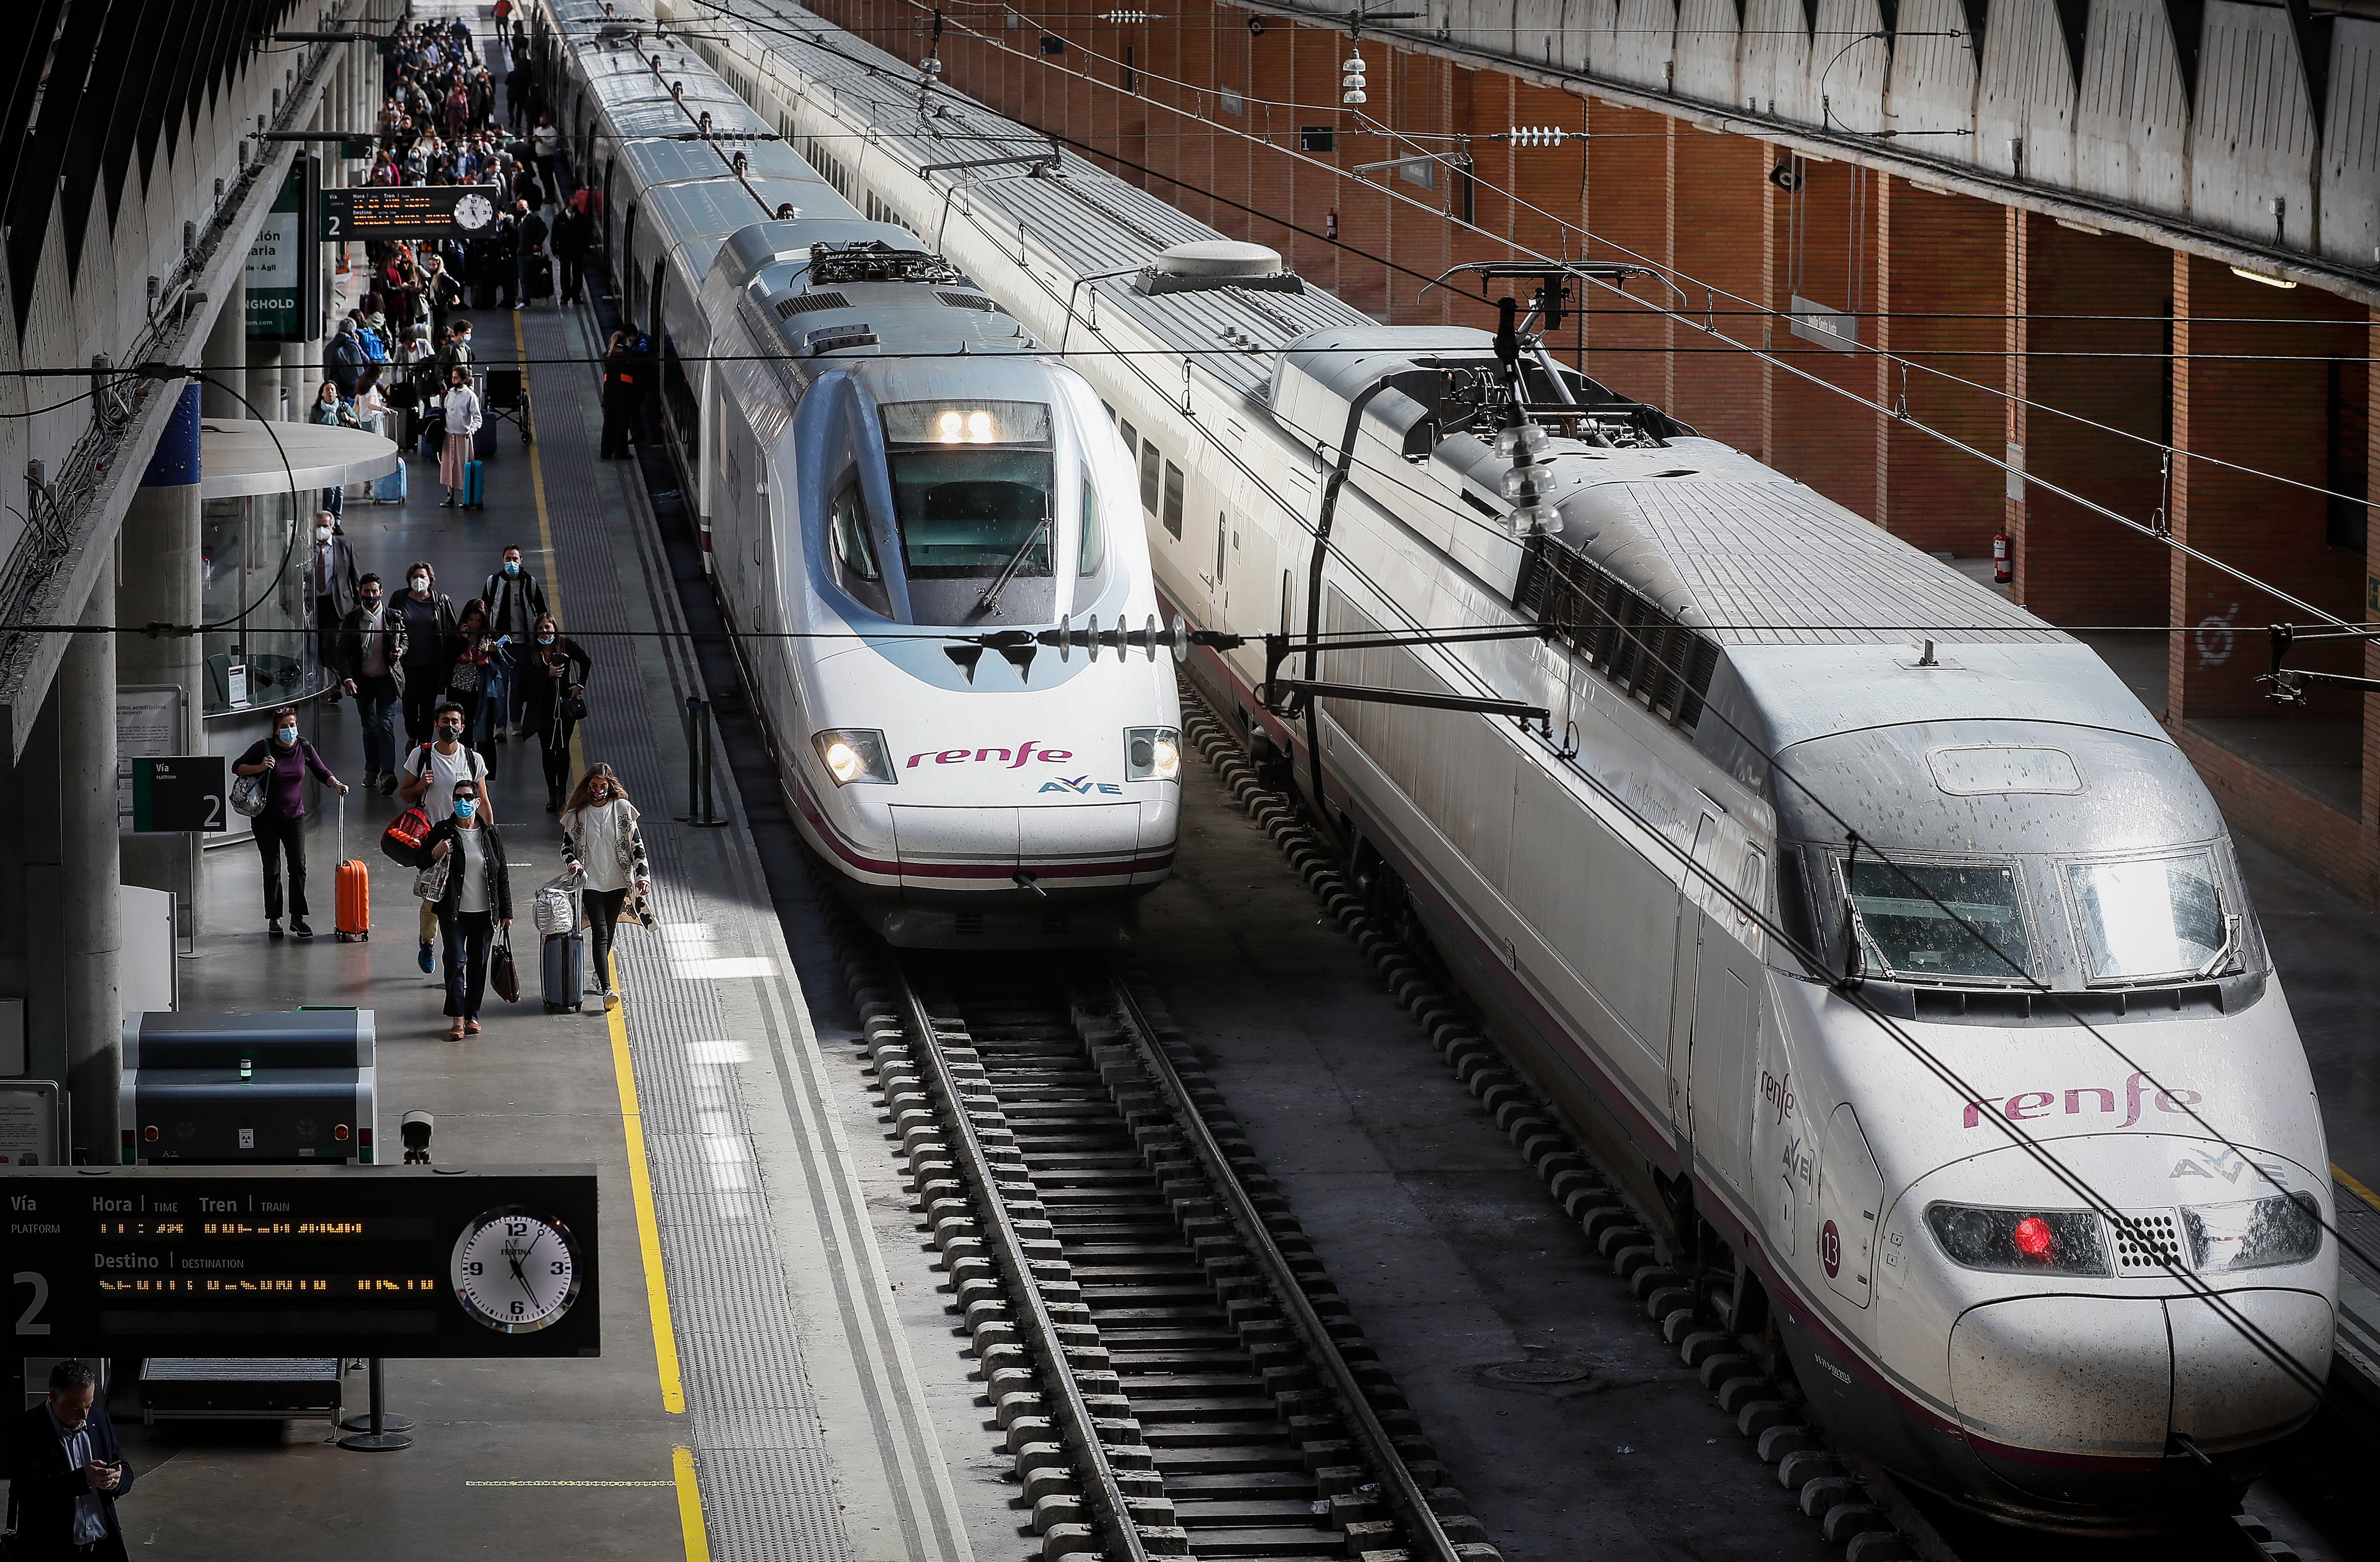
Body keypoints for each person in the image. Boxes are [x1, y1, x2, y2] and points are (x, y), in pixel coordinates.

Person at [232, 706, 350, 939]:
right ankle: (274, 918)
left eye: (292, 725)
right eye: (284, 727)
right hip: (266, 818)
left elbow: (320, 770)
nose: (289, 730)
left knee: (298, 866)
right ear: (275, 730)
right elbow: (237, 767)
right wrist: (260, 767)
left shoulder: (303, 747)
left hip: (295, 817)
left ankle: (298, 917)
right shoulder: (263, 748)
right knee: (273, 868)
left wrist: (336, 784)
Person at [9, 1360, 137, 1561]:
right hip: (52, 1551)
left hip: (104, 1548)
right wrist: (83, 1480)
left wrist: (117, 1481)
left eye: (89, 1405)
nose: (84, 1415)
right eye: (76, 1407)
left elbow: (125, 1469)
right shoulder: (26, 1429)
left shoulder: (99, 1418)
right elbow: (30, 1491)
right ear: (53, 1397)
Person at [400, 702, 493, 974]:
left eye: (455, 722)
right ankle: (428, 941)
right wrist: (421, 785)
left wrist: (490, 837)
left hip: (468, 838)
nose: (449, 726)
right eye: (444, 721)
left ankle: (456, 960)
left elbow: (484, 801)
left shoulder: (473, 760)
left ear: (462, 727)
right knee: (433, 898)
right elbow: (406, 795)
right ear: (435, 725)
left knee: (464, 899)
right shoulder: (421, 756)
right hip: (435, 839)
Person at [418, 776, 512, 1039]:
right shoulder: (442, 830)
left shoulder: (490, 834)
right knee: (456, 962)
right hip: (453, 913)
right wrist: (437, 851)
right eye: (457, 798)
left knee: (478, 965)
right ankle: (458, 1019)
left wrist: (507, 912)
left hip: (485, 913)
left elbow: (502, 873)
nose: (462, 803)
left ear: (478, 801)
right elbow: (420, 860)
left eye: (468, 798)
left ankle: (473, 1015)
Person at [560, 764, 650, 1010]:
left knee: (608, 933)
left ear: (610, 786)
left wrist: (643, 877)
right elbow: (567, 847)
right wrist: (575, 864)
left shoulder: (622, 810)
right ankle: (607, 987)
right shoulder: (578, 814)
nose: (598, 791)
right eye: (594, 786)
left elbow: (637, 847)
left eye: (603, 786)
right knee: (600, 933)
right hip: (590, 882)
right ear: (587, 786)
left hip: (618, 881)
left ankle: (599, 977)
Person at [337, 573, 408, 794]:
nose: (371, 595)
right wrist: (347, 679)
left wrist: (400, 651)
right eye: (366, 591)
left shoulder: (392, 617)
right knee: (369, 728)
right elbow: (343, 653)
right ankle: (371, 771)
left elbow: (405, 638)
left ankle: (388, 774)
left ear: (381, 593)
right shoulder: (352, 620)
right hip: (362, 682)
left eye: (374, 591)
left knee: (385, 725)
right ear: (360, 593)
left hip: (387, 681)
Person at [519, 614, 592, 811]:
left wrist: (580, 686)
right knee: (548, 750)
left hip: (563, 707)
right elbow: (523, 682)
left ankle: (562, 793)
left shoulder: (565, 645)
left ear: (555, 629)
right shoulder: (530, 651)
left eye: (548, 628)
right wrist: (546, 674)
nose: (545, 632)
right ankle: (552, 792)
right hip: (542, 708)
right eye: (541, 628)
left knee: (562, 748)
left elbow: (586, 661)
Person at [395, 562, 459, 744]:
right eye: (415, 577)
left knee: (428, 706)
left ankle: (424, 743)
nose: (419, 581)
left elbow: (450, 630)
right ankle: (412, 735)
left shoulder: (441, 602)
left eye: (423, 577)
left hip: (432, 665)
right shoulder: (400, 599)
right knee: (409, 704)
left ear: (430, 580)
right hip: (406, 663)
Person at [306, 512, 360, 702]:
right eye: (318, 526)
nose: (321, 530)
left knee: (332, 644)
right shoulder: (306, 548)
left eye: (325, 526)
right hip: (314, 603)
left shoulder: (344, 546)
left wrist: (358, 603)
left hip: (337, 603)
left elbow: (355, 575)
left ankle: (335, 685)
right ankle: (323, 682)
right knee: (317, 646)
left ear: (333, 528)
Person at [445, 597, 497, 744]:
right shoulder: (456, 634)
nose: (474, 624)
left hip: (483, 689)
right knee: (463, 732)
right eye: (471, 619)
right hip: (459, 688)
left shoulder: (489, 635)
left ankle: (484, 767)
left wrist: (494, 651)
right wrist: (463, 640)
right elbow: (447, 658)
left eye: (478, 621)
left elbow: (499, 664)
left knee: (485, 732)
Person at [307, 380, 360, 516]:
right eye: (327, 390)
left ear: (336, 393)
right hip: (325, 452)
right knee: (329, 488)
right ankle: (327, 517)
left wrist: (348, 418)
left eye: (332, 390)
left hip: (341, 451)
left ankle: (337, 520)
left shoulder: (344, 407)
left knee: (340, 489)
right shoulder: (317, 411)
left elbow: (358, 423)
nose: (330, 392)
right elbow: (310, 431)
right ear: (322, 394)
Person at [438, 364, 481, 508]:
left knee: (463, 467)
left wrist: (471, 430)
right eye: (452, 377)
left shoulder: (470, 396)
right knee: (449, 465)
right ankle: (450, 495)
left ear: (463, 380)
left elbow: (477, 418)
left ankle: (466, 496)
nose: (453, 380)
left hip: (464, 437)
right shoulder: (450, 394)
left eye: (456, 377)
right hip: (449, 435)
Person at [599, 330, 640, 458]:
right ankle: (621, 452)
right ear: (624, 340)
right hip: (624, 394)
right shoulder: (629, 355)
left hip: (609, 393)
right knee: (622, 424)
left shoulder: (607, 355)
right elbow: (636, 370)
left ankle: (605, 452)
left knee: (609, 423)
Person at [551, 189, 593, 305]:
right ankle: (565, 296)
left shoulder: (582, 219)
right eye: (574, 202)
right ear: (568, 204)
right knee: (565, 275)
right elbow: (554, 235)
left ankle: (576, 296)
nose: (576, 204)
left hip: (578, 252)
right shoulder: (559, 219)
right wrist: (554, 250)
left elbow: (587, 235)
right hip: (564, 251)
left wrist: (586, 250)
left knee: (578, 275)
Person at [514, 199, 548, 309]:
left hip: (532, 253)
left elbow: (544, 230)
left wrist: (538, 244)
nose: (521, 210)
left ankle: (542, 295)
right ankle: (526, 301)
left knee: (535, 277)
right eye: (519, 208)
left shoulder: (534, 218)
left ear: (527, 207)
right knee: (523, 277)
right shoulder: (520, 220)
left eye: (523, 208)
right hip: (522, 253)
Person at [533, 113, 562, 204]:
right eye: (541, 122)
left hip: (548, 157)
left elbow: (552, 143)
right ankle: (547, 194)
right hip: (539, 156)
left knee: (548, 177)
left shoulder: (552, 131)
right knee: (543, 177)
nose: (542, 124)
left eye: (544, 122)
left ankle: (551, 196)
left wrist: (542, 141)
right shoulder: (538, 130)